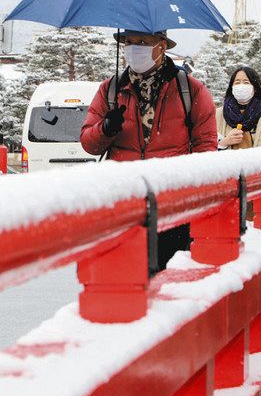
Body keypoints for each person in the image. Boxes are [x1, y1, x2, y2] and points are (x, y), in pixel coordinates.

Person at [80, 29, 218, 271]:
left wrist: (193, 198)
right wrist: (106, 128)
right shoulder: (111, 90)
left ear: (162, 46)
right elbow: (88, 143)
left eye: (143, 42)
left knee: (167, 281)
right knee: (124, 277)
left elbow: (206, 149)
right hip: (125, 201)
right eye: (129, 42)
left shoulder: (190, 90)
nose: (134, 48)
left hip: (172, 203)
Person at [217, 67, 261, 149]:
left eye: (246, 82)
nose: (241, 86)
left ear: (255, 88)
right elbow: (209, 145)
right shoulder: (218, 114)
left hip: (254, 161)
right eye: (237, 82)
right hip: (225, 161)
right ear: (231, 87)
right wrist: (224, 142)